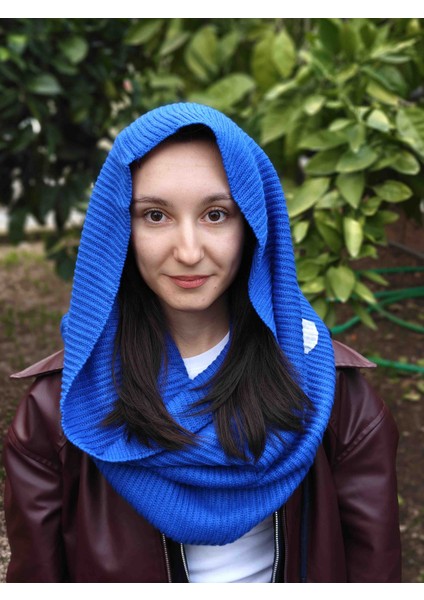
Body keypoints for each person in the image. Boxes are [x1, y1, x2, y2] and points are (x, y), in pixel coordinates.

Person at [2, 102, 401, 583]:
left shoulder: (332, 395)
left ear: (252, 224)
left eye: (215, 214)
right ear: (119, 229)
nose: (188, 251)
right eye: (155, 215)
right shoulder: (57, 412)